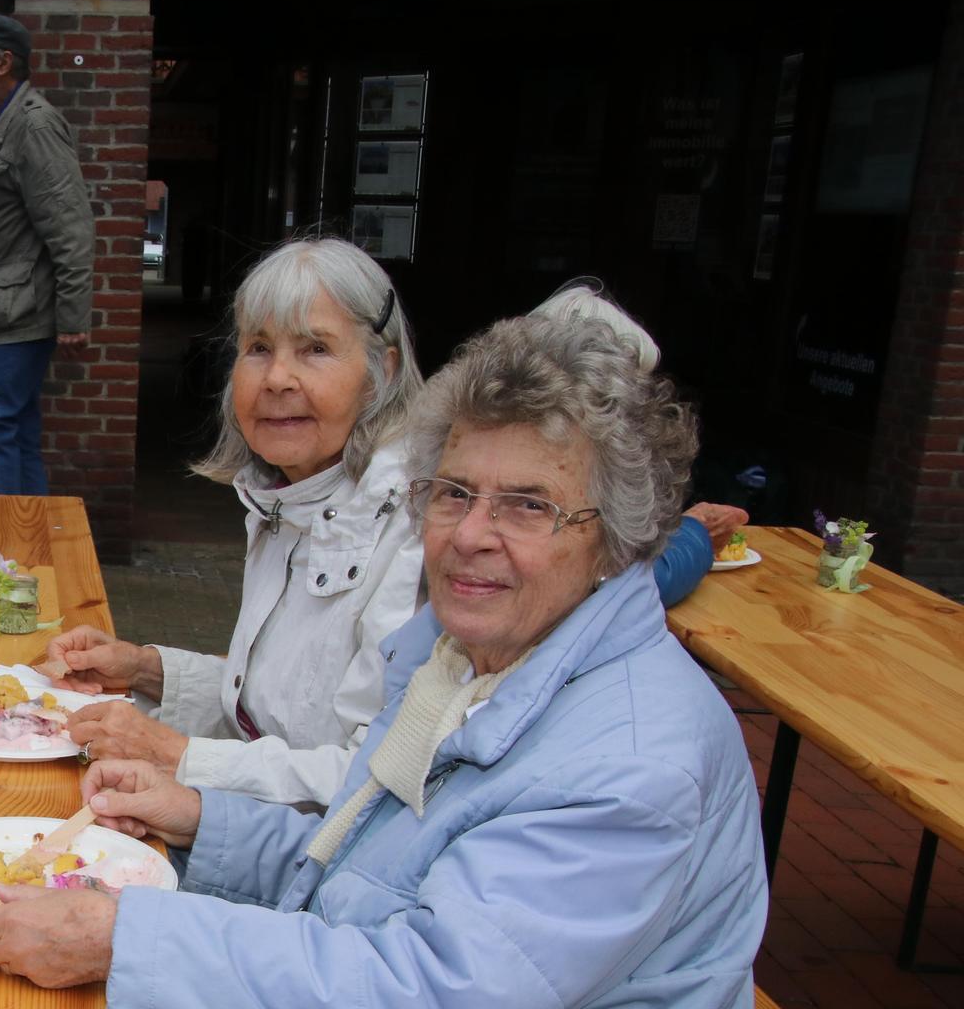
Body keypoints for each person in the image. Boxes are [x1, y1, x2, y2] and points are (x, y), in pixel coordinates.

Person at [0, 308, 769, 1009]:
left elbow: (419, 997)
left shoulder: (629, 760)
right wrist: (200, 819)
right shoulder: (464, 658)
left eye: (528, 505)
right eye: (454, 491)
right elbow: (369, 866)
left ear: (618, 539)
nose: (472, 534)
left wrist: (130, 942)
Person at [53, 273, 734, 807]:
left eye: (314, 348)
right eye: (257, 347)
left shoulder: (426, 540)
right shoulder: (286, 504)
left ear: (380, 372)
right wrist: (149, 670)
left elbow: (365, 783)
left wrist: (179, 758)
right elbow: (283, 716)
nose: (278, 377)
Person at [0, 13, 94, 494]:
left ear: (4, 61)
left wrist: (73, 317)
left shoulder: (33, 127)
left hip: (27, 312)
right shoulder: (0, 124)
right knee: (17, 428)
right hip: (12, 308)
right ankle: (31, 543)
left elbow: (70, 226)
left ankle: (4, 543)